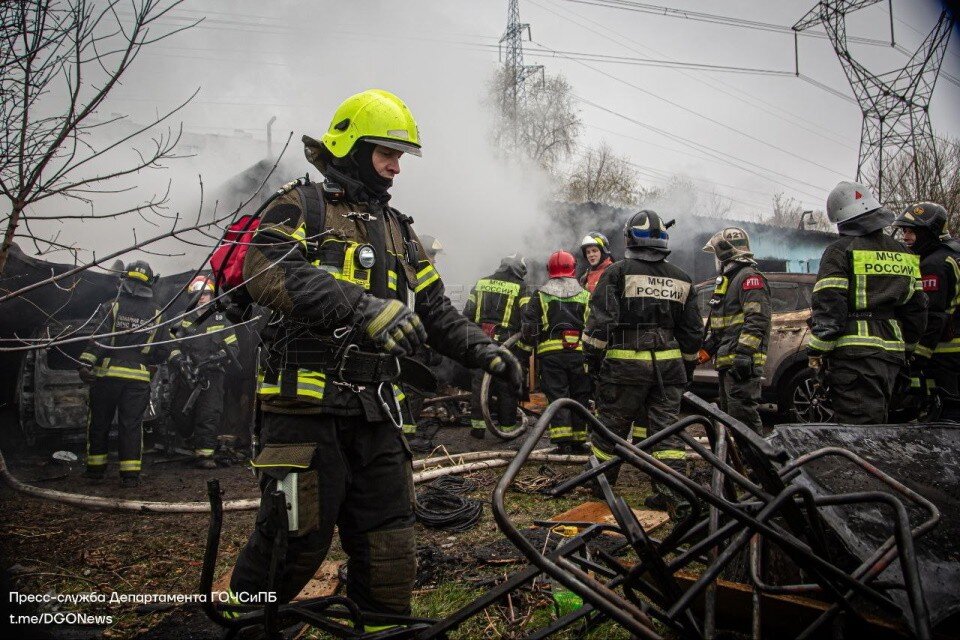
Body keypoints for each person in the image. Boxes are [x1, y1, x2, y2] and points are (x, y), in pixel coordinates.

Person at [228, 89, 522, 625]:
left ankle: (383, 630)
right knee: (291, 544)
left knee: (390, 548)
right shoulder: (303, 205)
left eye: (401, 156)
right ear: (352, 145)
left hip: (379, 415)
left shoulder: (400, 230)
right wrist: (363, 307)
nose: (396, 167)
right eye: (387, 152)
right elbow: (264, 271)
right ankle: (242, 628)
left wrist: (488, 352)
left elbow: (437, 312)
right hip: (304, 412)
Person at [583, 211, 702, 512]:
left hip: (624, 368)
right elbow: (691, 334)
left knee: (609, 430)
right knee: (666, 435)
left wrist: (594, 364)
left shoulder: (617, 273)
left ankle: (600, 489)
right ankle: (673, 498)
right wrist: (684, 368)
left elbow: (600, 326)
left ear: (630, 238)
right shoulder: (683, 279)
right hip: (669, 370)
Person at [808, 181, 927, 424]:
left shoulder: (839, 251)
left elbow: (830, 306)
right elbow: (917, 309)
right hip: (893, 357)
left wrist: (816, 350)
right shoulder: (905, 254)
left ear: (841, 220)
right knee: (883, 426)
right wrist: (909, 347)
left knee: (860, 433)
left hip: (854, 357)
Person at [79, 260, 169, 488]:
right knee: (131, 426)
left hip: (107, 375)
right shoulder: (158, 313)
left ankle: (95, 471)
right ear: (151, 282)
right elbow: (163, 350)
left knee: (99, 422)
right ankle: (129, 476)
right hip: (138, 379)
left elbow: (99, 339)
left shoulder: (112, 306)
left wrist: (85, 363)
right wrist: (148, 361)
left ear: (124, 279)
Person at [892, 202, 960, 421]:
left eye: (912, 231)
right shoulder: (952, 253)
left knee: (946, 413)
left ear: (929, 232)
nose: (905, 236)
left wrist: (917, 357)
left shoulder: (933, 265)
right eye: (904, 231)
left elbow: (933, 316)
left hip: (945, 352)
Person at [701, 228, 772, 434]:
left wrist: (743, 354)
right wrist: (708, 349)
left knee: (743, 418)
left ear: (723, 253)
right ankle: (741, 462)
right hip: (728, 360)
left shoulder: (749, 278)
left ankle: (758, 464)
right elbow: (722, 324)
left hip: (741, 362)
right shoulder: (729, 280)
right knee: (731, 417)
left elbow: (757, 319)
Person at [521, 250, 591, 453]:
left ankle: (563, 443)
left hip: (552, 357)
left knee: (558, 397)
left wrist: (529, 346)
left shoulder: (541, 294)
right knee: (581, 395)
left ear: (549, 270)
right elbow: (594, 326)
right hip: (580, 355)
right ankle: (579, 440)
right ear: (574, 269)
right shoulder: (586, 295)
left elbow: (529, 329)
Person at [168, 276, 239, 469]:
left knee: (209, 413)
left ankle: (205, 455)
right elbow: (170, 345)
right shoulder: (182, 319)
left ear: (212, 295)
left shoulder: (221, 318)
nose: (202, 298)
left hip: (213, 374)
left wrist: (219, 356)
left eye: (206, 294)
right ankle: (188, 440)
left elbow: (234, 346)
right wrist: (180, 362)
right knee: (179, 411)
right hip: (187, 375)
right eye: (197, 294)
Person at [463, 254, 531, 439]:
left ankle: (477, 428)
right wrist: (525, 350)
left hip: (481, 342)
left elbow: (466, 314)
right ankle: (507, 430)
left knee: (479, 383)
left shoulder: (481, 283)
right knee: (506, 385)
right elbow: (528, 321)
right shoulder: (521, 287)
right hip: (506, 344)